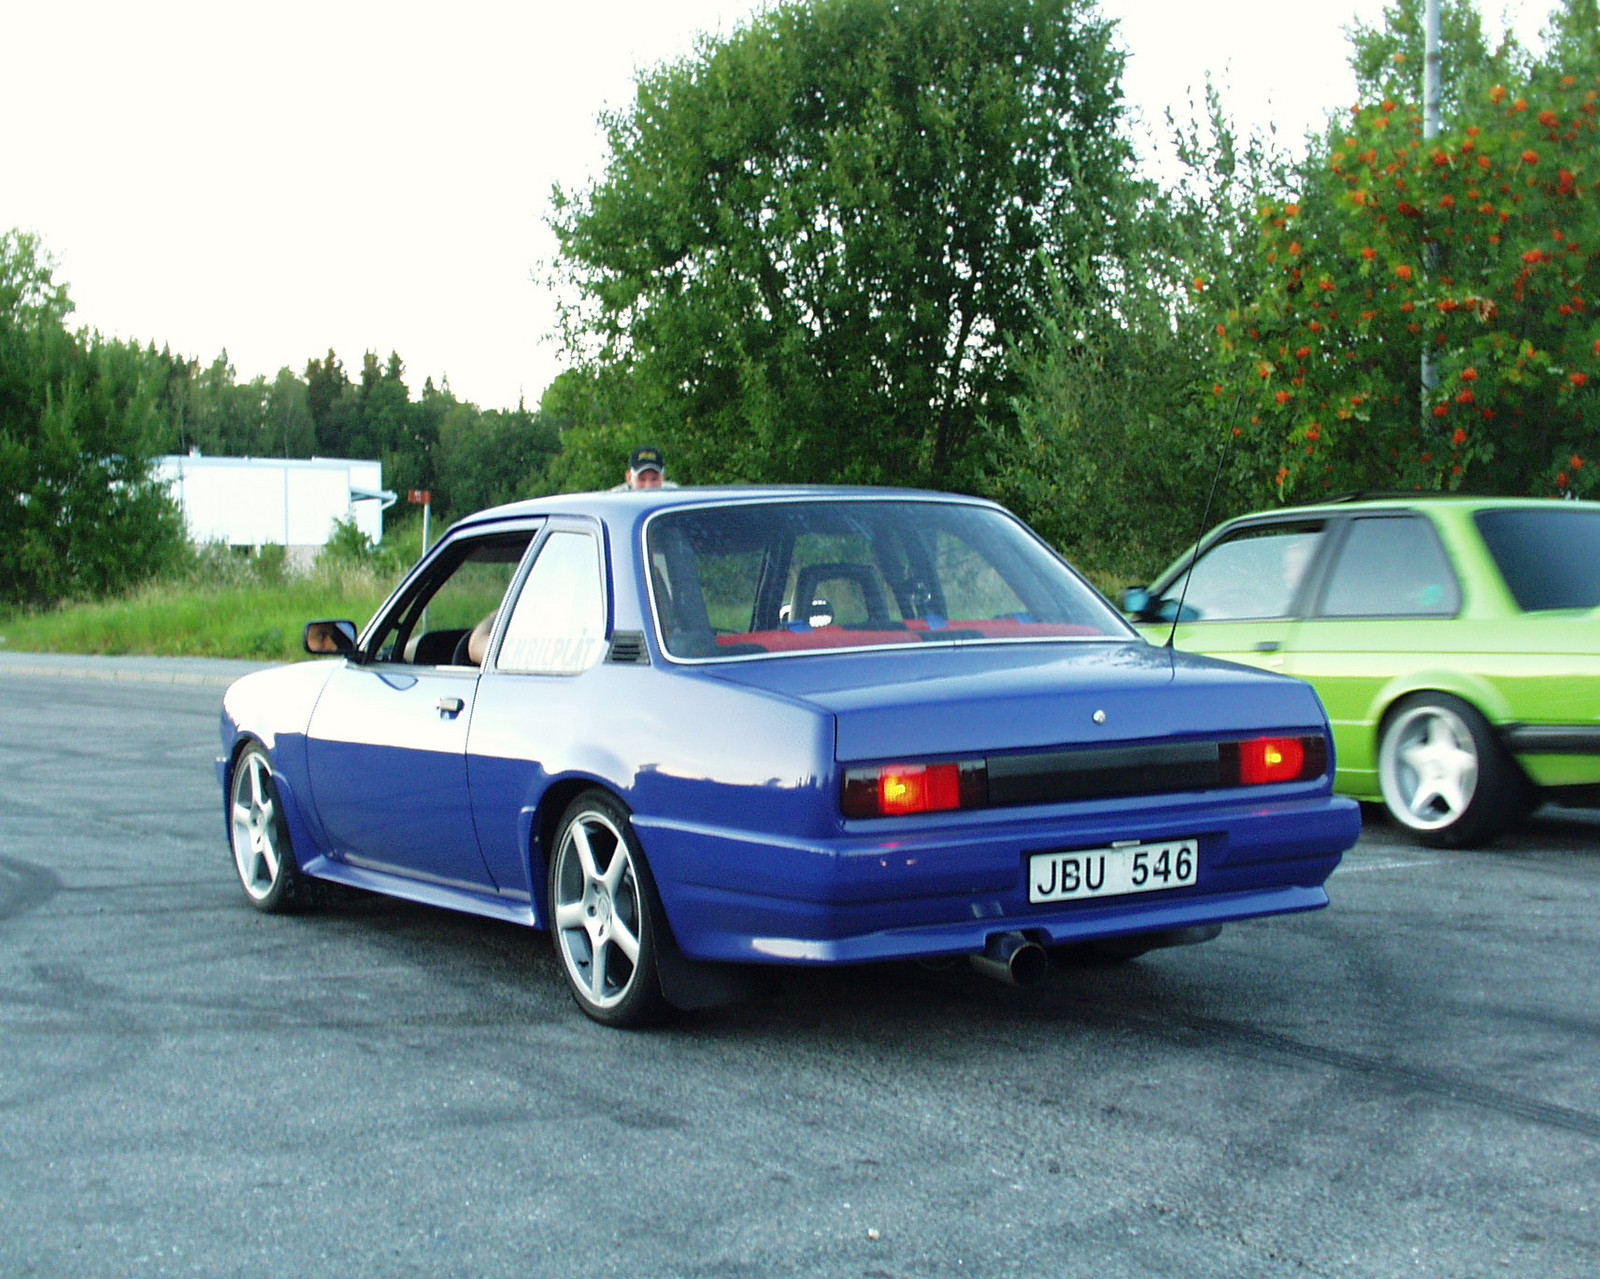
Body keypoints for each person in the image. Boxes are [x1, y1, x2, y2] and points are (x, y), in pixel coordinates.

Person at [610, 445, 676, 491]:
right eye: (641, 479)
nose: (648, 487)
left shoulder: (675, 495)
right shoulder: (614, 499)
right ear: (629, 478)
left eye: (654, 479)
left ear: (663, 477)